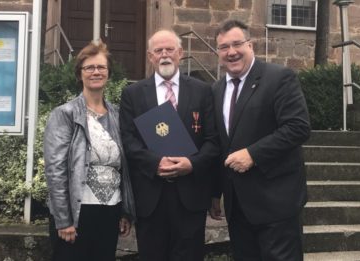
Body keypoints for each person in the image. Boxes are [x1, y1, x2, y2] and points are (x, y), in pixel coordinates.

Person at [209, 20, 311, 261]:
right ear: (218, 53)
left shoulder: (279, 78)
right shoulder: (215, 90)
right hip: (238, 207)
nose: (231, 52)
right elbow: (220, 143)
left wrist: (253, 154)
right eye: (224, 47)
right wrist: (215, 193)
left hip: (277, 203)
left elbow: (298, 127)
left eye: (237, 44)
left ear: (250, 45)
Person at [119, 29, 219, 261]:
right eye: (158, 50)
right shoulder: (132, 93)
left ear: (181, 53)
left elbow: (213, 141)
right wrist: (155, 162)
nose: (164, 55)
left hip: (190, 194)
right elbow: (127, 139)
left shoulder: (202, 90)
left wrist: (191, 164)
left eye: (170, 49)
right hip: (150, 195)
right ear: (150, 56)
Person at [43, 40, 136, 261]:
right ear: (80, 74)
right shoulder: (64, 114)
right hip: (77, 212)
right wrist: (64, 219)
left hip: (110, 210)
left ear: (108, 73)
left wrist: (125, 211)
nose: (96, 72)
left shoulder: (118, 115)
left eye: (101, 67)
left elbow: (124, 169)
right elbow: (55, 171)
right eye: (89, 67)